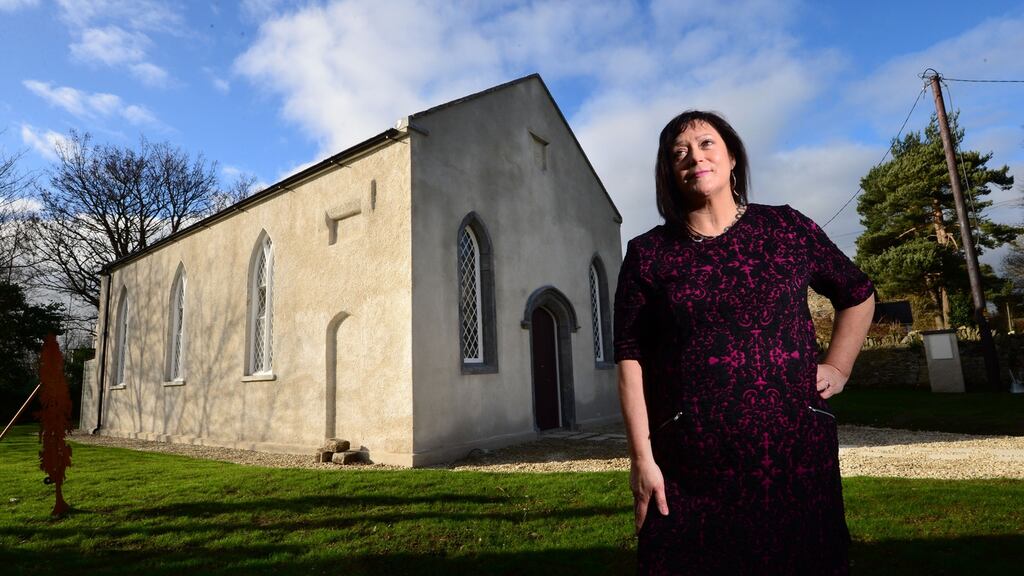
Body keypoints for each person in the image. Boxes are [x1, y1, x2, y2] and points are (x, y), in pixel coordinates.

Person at [614, 110, 875, 575]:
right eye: (680, 153)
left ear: (732, 156)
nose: (695, 156)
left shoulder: (788, 229)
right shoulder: (648, 254)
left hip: (795, 456)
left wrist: (839, 366)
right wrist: (642, 459)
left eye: (707, 144)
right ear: (669, 173)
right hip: (691, 463)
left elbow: (857, 293)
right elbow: (630, 357)